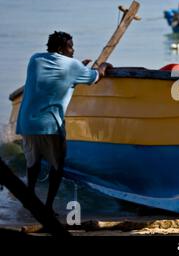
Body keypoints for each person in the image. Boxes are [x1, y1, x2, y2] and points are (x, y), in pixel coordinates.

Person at [16, 31, 112, 214]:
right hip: (50, 125)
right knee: (57, 166)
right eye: (70, 46)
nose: (73, 49)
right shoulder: (72, 66)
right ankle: (48, 207)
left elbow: (54, 76)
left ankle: (28, 198)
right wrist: (105, 66)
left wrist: (77, 70)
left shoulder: (35, 59)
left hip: (27, 124)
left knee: (33, 163)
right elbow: (96, 76)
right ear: (61, 48)